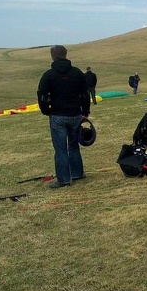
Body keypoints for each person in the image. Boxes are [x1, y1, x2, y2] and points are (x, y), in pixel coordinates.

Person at [37, 45, 91, 189]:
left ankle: (64, 179)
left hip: (57, 115)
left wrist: (45, 110)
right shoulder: (77, 73)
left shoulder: (48, 75)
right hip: (75, 114)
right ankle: (77, 173)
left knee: (60, 149)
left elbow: (42, 96)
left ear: (52, 56)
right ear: (66, 54)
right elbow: (85, 94)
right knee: (73, 146)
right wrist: (85, 112)